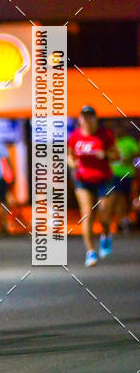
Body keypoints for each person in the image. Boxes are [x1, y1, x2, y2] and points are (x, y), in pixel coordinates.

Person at [67, 106, 119, 267]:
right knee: (87, 215)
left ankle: (106, 234)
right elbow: (70, 156)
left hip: (104, 179)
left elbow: (117, 156)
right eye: (84, 117)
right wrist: (72, 163)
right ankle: (90, 252)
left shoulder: (105, 135)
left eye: (90, 116)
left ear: (95, 119)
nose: (87, 120)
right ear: (80, 119)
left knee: (104, 216)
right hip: (83, 181)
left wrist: (105, 154)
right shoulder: (75, 137)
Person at [111, 121, 140, 232]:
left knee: (127, 197)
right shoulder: (112, 141)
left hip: (128, 174)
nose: (117, 131)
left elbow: (137, 155)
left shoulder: (130, 141)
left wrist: (129, 159)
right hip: (115, 174)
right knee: (118, 197)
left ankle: (126, 218)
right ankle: (122, 220)